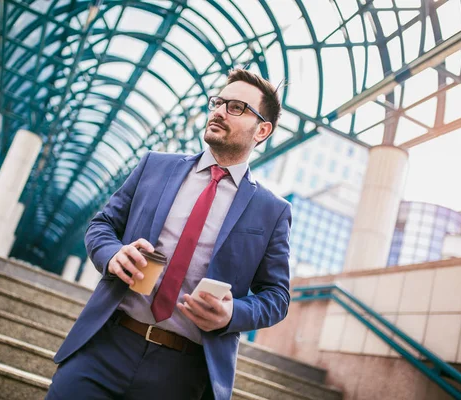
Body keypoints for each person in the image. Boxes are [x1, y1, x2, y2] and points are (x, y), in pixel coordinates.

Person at [46, 68, 292, 400]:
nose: (219, 111)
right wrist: (113, 254)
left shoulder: (272, 210)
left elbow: (276, 297)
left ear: (262, 130)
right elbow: (102, 226)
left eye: (236, 107)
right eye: (218, 102)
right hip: (105, 346)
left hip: (182, 373)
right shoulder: (154, 166)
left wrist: (233, 313)